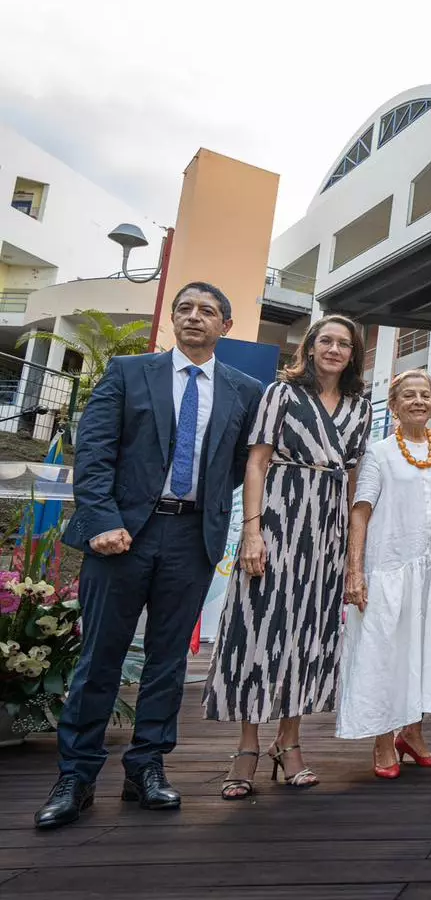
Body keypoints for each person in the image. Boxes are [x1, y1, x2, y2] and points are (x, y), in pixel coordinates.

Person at [35, 283, 263, 830]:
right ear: (172, 321)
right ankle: (77, 775)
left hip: (192, 540)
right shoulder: (128, 371)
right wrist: (105, 520)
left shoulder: (245, 390)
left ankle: (147, 768)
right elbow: (92, 452)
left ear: (225, 327)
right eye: (184, 308)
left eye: (207, 310)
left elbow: (236, 465)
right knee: (99, 660)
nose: (193, 317)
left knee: (167, 661)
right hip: (121, 538)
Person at [202, 315, 371, 798]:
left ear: (353, 353)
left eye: (344, 344)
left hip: (328, 528)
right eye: (327, 341)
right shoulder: (281, 393)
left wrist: (351, 552)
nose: (335, 349)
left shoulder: (361, 405)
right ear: (311, 346)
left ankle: (289, 742)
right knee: (258, 627)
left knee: (310, 631)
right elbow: (256, 461)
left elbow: (355, 477)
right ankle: (247, 746)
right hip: (279, 516)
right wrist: (251, 533)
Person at [341, 370, 431, 777]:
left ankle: (412, 735)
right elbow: (360, 512)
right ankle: (384, 740)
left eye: (426, 395)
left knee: (426, 650)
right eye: (409, 395)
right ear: (393, 404)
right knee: (386, 652)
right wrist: (355, 571)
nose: (419, 401)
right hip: (390, 568)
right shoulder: (378, 453)